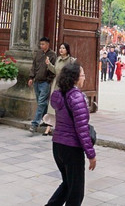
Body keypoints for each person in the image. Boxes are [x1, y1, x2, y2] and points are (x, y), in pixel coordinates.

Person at [46, 62, 96, 206]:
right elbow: (82, 130)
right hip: (71, 148)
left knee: (68, 184)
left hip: (58, 146)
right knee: (76, 191)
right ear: (74, 78)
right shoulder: (77, 97)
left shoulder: (58, 95)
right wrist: (91, 154)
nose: (84, 78)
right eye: (82, 75)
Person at [42, 42, 75, 136]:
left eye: (63, 48)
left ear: (67, 50)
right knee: (53, 105)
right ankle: (48, 127)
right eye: (60, 48)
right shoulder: (58, 59)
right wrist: (49, 64)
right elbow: (55, 71)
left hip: (64, 85)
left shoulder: (70, 61)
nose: (61, 50)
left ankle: (57, 127)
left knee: (62, 106)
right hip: (56, 84)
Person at [28, 36, 56, 133]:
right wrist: (31, 77)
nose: (41, 46)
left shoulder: (52, 55)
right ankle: (45, 119)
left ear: (48, 44)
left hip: (45, 82)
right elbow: (34, 65)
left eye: (43, 44)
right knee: (41, 102)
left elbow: (53, 69)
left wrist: (49, 80)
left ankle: (34, 124)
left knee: (41, 102)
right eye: (40, 44)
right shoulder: (38, 53)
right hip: (37, 81)